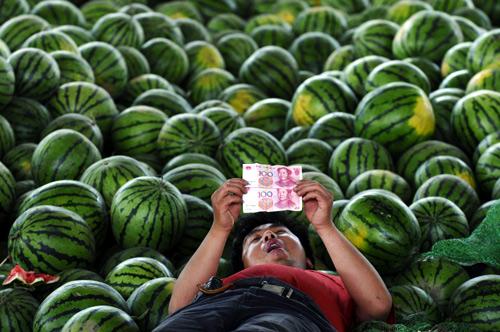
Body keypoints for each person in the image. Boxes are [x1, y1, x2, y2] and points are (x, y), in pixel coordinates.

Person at [154, 179, 393, 332]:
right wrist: (220, 228)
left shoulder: (332, 280)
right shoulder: (227, 284)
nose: (268, 235)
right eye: (255, 239)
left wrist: (325, 226)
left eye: (280, 232)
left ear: (309, 260)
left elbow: (378, 305)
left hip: (295, 312)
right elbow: (180, 307)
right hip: (216, 304)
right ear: (242, 267)